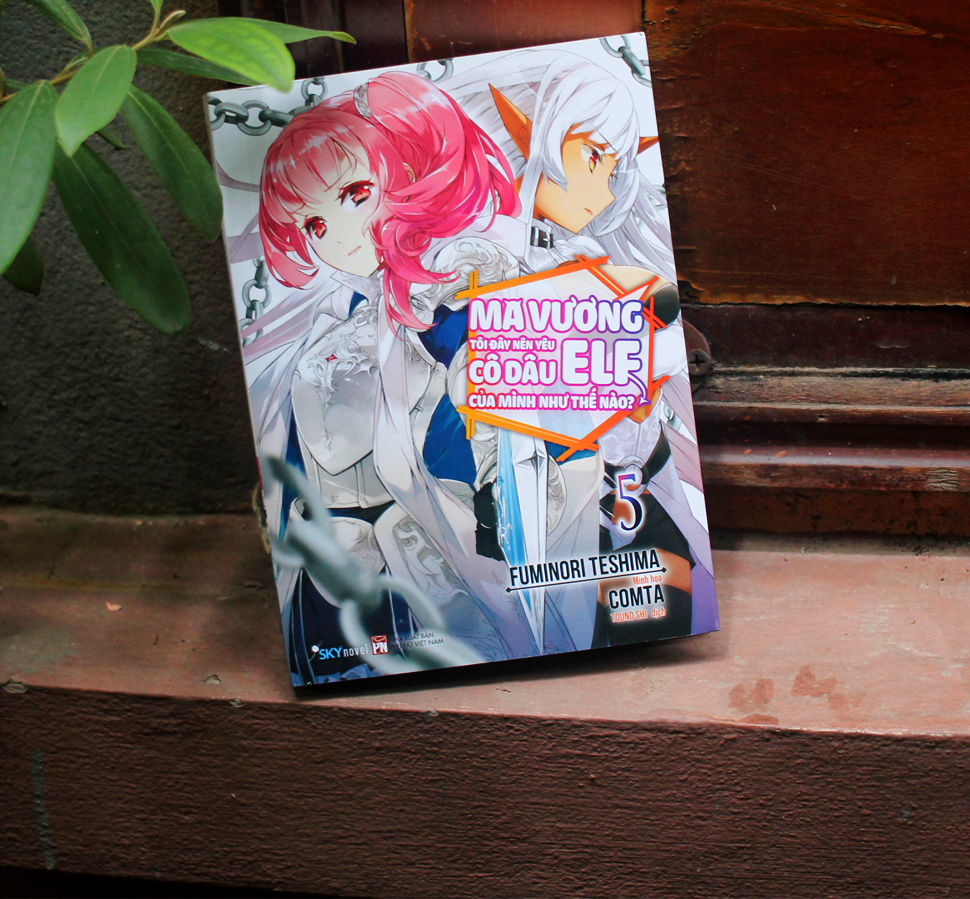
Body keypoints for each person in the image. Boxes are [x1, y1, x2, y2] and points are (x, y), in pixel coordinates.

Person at [252, 70, 554, 682]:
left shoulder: (456, 288)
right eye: (313, 225)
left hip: (432, 545)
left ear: (415, 169)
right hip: (336, 560)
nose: (337, 235)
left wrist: (500, 503)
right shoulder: (344, 315)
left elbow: (497, 405)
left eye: (355, 193)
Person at [452, 49, 718, 639]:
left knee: (660, 610)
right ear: (531, 136)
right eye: (593, 157)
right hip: (548, 501)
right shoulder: (482, 260)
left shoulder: (583, 256)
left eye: (613, 167)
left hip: (628, 490)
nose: (603, 193)